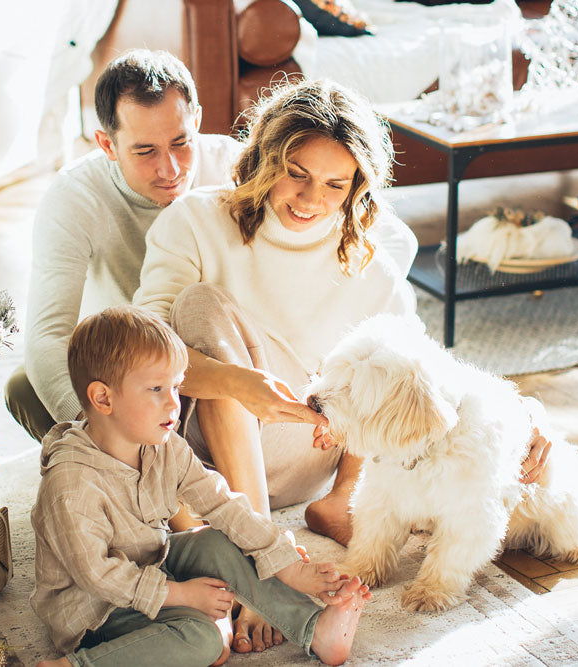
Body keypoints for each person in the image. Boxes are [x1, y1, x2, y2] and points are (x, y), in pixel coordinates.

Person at [134, 78, 552, 620]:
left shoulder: (371, 264)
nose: (312, 200)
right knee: (196, 307)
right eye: (297, 175)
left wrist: (523, 412)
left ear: (357, 187)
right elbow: (139, 359)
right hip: (197, 444)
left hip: (309, 441)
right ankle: (264, 550)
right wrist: (237, 384)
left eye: (336, 185)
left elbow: (425, 375)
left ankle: (338, 501)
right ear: (262, 158)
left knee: (377, 361)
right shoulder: (193, 220)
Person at [6, 49, 418, 444]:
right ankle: (115, 466)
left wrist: (334, 306)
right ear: (107, 144)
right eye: (145, 151)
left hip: (222, 349)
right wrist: (98, 433)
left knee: (203, 311)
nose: (170, 169)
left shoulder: (241, 165)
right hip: (133, 356)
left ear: (197, 121)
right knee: (25, 387)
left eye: (181, 142)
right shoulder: (74, 197)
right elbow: (48, 334)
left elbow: (391, 236)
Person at [30, 305, 371, 667]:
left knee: (218, 539)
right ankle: (75, 665)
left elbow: (223, 504)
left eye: (176, 386)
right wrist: (180, 594)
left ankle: (314, 628)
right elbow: (98, 576)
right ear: (103, 398)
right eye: (157, 388)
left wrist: (287, 565)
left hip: (152, 563)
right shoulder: (71, 483)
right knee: (202, 640)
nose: (173, 403)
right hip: (96, 610)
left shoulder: (161, 445)